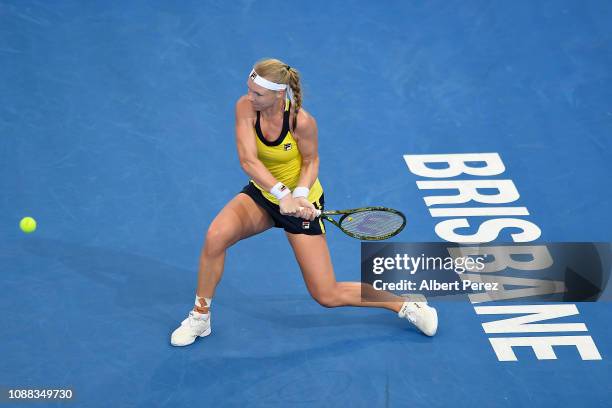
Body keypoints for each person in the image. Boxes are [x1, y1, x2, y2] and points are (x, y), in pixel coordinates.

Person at [170, 58, 438, 346]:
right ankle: (200, 316)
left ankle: (405, 305)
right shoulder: (245, 108)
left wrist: (298, 195)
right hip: (264, 196)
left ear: (278, 94)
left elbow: (311, 161)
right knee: (215, 236)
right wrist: (281, 194)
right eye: (249, 89)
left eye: (257, 93)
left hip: (302, 206)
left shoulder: (301, 121)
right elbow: (248, 159)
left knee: (327, 294)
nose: (250, 97)